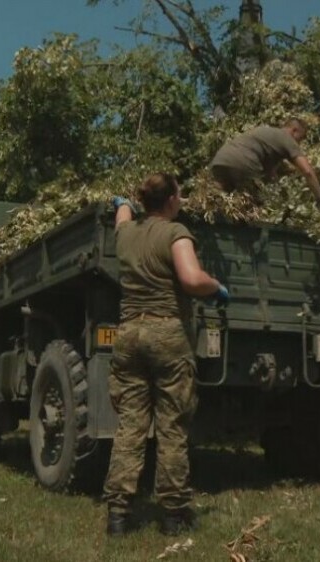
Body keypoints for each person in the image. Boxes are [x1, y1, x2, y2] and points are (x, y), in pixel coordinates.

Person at [103, 173, 230, 537]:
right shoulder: (176, 234)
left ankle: (118, 514)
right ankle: (173, 515)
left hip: (129, 334)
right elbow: (191, 279)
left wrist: (122, 204)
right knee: (171, 427)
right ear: (172, 199)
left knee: (130, 427)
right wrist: (216, 288)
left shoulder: (126, 234)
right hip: (167, 333)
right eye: (181, 194)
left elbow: (122, 215)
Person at [210, 118, 320, 207]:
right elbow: (308, 171)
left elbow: (270, 173)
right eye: (300, 138)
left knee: (218, 197)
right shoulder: (287, 138)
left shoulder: (266, 131)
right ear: (294, 130)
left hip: (220, 160)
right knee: (259, 202)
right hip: (243, 163)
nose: (299, 143)